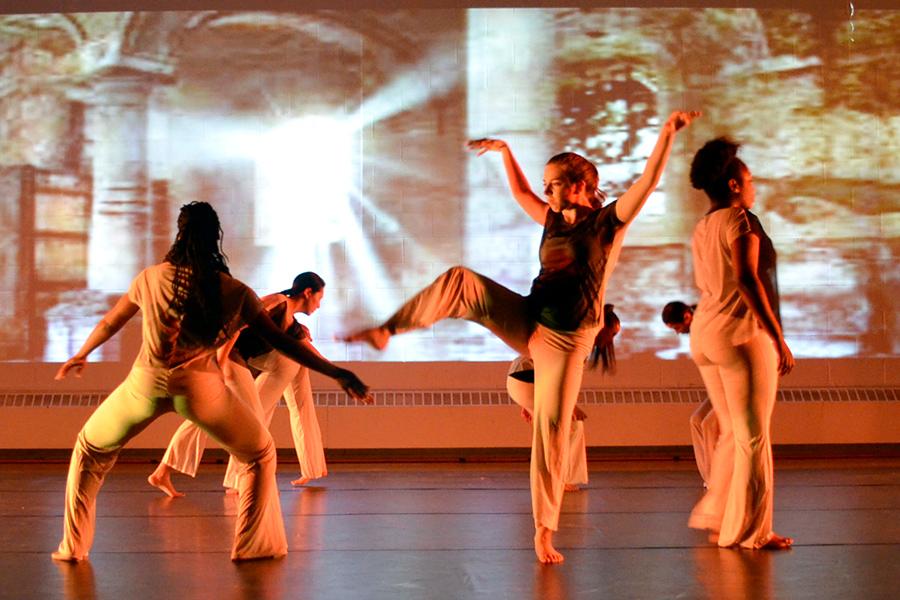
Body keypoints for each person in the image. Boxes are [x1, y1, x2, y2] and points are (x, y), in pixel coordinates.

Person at [342, 110, 699, 563]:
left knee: (552, 430)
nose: (545, 191)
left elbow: (647, 183)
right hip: (530, 319)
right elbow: (520, 192)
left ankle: (543, 532)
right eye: (546, 185)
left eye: (552, 184)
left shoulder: (607, 223)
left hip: (568, 341)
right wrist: (506, 152)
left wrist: (666, 133)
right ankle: (388, 329)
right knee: (461, 281)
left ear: (576, 186)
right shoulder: (552, 217)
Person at [52, 201, 371, 562]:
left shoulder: (149, 278)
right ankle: (252, 547)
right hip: (199, 390)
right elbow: (285, 344)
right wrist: (338, 372)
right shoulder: (234, 290)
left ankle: (72, 548)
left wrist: (81, 353)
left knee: (89, 450)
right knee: (259, 455)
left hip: (143, 387)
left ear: (179, 233)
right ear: (216, 238)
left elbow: (111, 322)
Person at [686, 137, 794, 550]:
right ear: (733, 184)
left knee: (732, 432)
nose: (752, 186)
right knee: (753, 436)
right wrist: (777, 335)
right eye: (747, 179)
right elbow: (747, 279)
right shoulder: (740, 221)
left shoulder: (703, 225)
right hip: (740, 334)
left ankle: (719, 517)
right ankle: (751, 530)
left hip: (706, 333)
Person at [148, 272, 336, 497]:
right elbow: (235, 324)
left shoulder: (292, 324)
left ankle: (164, 471)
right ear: (308, 292)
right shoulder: (277, 302)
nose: (319, 305)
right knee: (241, 417)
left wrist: (339, 373)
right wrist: (219, 362)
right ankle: (237, 479)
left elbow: (307, 350)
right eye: (319, 298)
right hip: (229, 360)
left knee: (214, 413)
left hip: (239, 363)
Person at [506, 304, 621, 492]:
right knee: (570, 426)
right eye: (612, 334)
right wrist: (571, 405)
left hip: (522, 381)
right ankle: (562, 478)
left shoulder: (575, 335)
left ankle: (554, 477)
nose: (611, 340)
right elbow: (560, 374)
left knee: (556, 429)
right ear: (600, 328)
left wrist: (526, 401)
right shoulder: (578, 340)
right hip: (529, 381)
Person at [661, 301, 718, 487]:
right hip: (718, 387)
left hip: (730, 382)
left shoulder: (707, 323)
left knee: (709, 424)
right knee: (696, 419)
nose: (677, 332)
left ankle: (718, 476)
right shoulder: (698, 330)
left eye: (677, 327)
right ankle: (709, 476)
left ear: (687, 316)